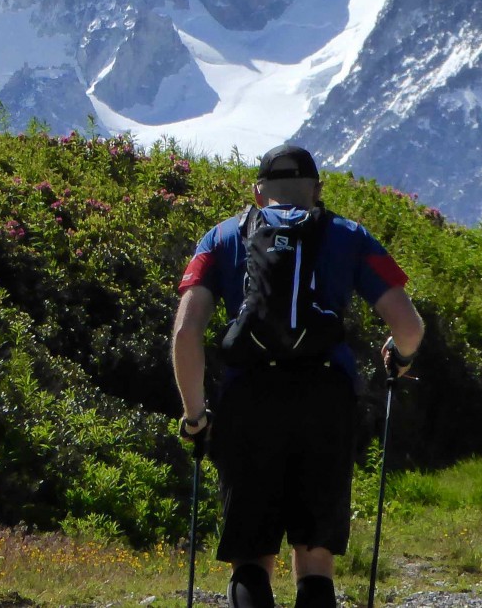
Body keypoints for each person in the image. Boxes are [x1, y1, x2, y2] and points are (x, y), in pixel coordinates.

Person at [171, 145, 425, 608]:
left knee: (251, 558)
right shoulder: (349, 235)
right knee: (314, 557)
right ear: (317, 191)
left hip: (248, 399)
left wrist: (196, 418)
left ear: (257, 191)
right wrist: (400, 358)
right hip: (325, 402)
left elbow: (187, 332)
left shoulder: (223, 237)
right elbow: (409, 326)